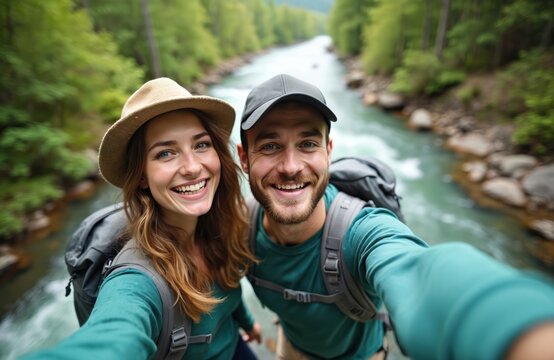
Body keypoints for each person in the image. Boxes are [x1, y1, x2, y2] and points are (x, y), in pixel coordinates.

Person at [236, 73, 554, 360]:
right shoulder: (239, 226)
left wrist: (520, 329)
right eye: (270, 146)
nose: (291, 166)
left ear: (328, 151)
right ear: (244, 158)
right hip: (292, 347)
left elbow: (417, 274)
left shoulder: (362, 232)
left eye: (308, 144)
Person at [23, 77, 261, 359]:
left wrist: (248, 323)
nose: (193, 167)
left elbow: (228, 292)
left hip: (235, 345)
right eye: (165, 153)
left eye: (201, 145)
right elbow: (113, 336)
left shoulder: (220, 224)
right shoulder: (137, 280)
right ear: (141, 178)